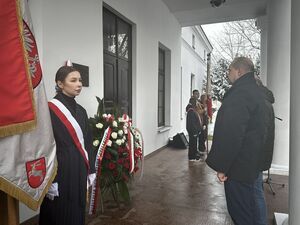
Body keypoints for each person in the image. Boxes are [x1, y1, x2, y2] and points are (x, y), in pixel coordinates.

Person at [206, 57, 266, 225]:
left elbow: (231, 134)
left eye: (230, 70)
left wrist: (222, 167)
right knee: (254, 207)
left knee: (243, 214)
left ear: (239, 71)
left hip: (240, 167)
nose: (227, 73)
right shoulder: (254, 91)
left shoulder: (240, 94)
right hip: (251, 162)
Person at [39, 66, 95, 225]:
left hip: (79, 168)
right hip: (60, 169)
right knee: (58, 213)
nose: (79, 84)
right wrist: (50, 180)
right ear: (60, 83)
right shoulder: (48, 109)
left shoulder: (81, 111)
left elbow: (88, 142)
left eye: (80, 80)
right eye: (73, 80)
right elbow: (44, 147)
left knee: (76, 211)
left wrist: (91, 169)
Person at [253, 76, 275, 225]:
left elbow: (260, 134)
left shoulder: (261, 103)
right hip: (258, 155)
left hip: (256, 156)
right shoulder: (263, 100)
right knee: (256, 189)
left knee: (256, 192)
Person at [186, 97, 202, 161]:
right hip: (193, 131)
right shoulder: (191, 111)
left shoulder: (193, 109)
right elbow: (192, 123)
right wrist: (195, 132)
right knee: (192, 144)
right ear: (193, 102)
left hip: (195, 131)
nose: (197, 103)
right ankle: (192, 157)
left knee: (194, 144)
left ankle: (194, 155)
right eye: (196, 102)